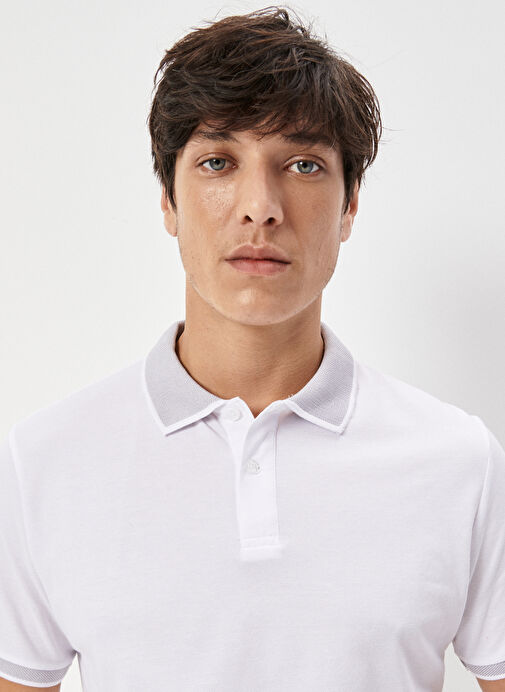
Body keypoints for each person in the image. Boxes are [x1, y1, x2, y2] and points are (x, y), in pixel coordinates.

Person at [0, 6, 504, 691]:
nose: (259, 207)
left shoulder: (460, 462)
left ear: (350, 205)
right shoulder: (44, 463)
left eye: (302, 164)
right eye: (218, 162)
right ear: (168, 200)